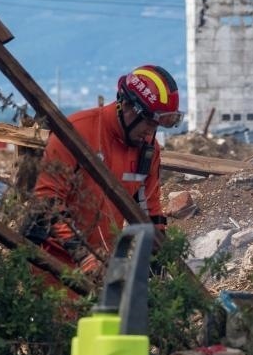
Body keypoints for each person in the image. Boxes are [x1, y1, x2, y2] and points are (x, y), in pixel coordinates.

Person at [25, 64, 183, 280]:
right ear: (126, 105)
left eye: (157, 125)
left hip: (102, 268)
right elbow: (46, 202)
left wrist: (159, 261)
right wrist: (83, 255)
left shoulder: (147, 150)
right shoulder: (76, 132)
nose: (150, 131)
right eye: (148, 122)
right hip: (51, 266)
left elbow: (150, 211)